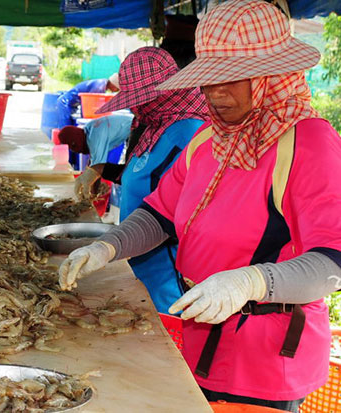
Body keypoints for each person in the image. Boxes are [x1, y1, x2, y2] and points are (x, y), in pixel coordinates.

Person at [58, 1, 341, 411]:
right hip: (196, 336)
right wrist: (107, 246)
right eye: (209, 79)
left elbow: (332, 261)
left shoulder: (310, 144)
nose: (216, 93)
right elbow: (158, 215)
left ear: (272, 76)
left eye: (234, 78)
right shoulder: (209, 141)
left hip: (263, 357)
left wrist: (249, 282)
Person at [62, 47, 209, 314]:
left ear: (165, 92)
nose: (134, 105)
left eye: (140, 99)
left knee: (169, 341)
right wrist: (100, 170)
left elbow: (175, 207)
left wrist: (110, 247)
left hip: (171, 271)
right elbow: (142, 176)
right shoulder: (151, 124)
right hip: (138, 253)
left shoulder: (191, 132)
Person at [55, 73, 120, 129]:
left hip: (71, 104)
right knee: (65, 130)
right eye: (117, 89)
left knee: (69, 128)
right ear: (113, 84)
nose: (116, 91)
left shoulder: (102, 84)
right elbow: (91, 105)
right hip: (65, 103)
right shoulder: (99, 86)